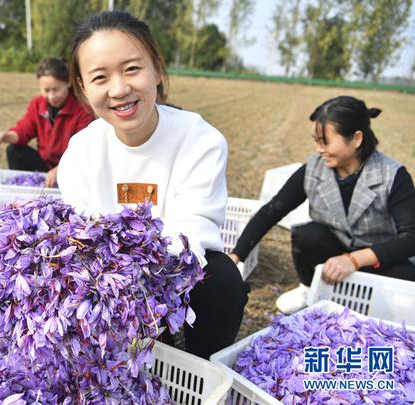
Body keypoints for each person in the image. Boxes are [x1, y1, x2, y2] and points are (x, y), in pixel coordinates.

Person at [57, 10, 249, 360]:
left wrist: (138, 279)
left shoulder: (199, 140)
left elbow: (192, 234)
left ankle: (200, 366)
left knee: (221, 280)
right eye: (100, 77)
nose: (119, 89)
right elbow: (81, 237)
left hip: (173, 272)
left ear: (157, 69)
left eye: (132, 69)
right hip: (108, 283)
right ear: (83, 89)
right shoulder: (81, 152)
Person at [229, 96, 415, 314]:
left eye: (325, 141)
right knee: (308, 235)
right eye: (316, 140)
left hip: (376, 258)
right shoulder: (314, 169)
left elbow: (411, 238)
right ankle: (309, 287)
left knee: (404, 276)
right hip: (333, 253)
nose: (319, 149)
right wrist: (235, 256)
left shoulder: (392, 175)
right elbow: (272, 210)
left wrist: (354, 260)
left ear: (356, 139)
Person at [0, 58, 94, 188]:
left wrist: (61, 168)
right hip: (46, 167)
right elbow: (23, 132)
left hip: (73, 168)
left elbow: (84, 150)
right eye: (46, 90)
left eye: (56, 89)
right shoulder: (38, 104)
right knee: (14, 151)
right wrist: (3, 136)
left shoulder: (82, 110)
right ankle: (24, 192)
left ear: (68, 82)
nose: (51, 96)